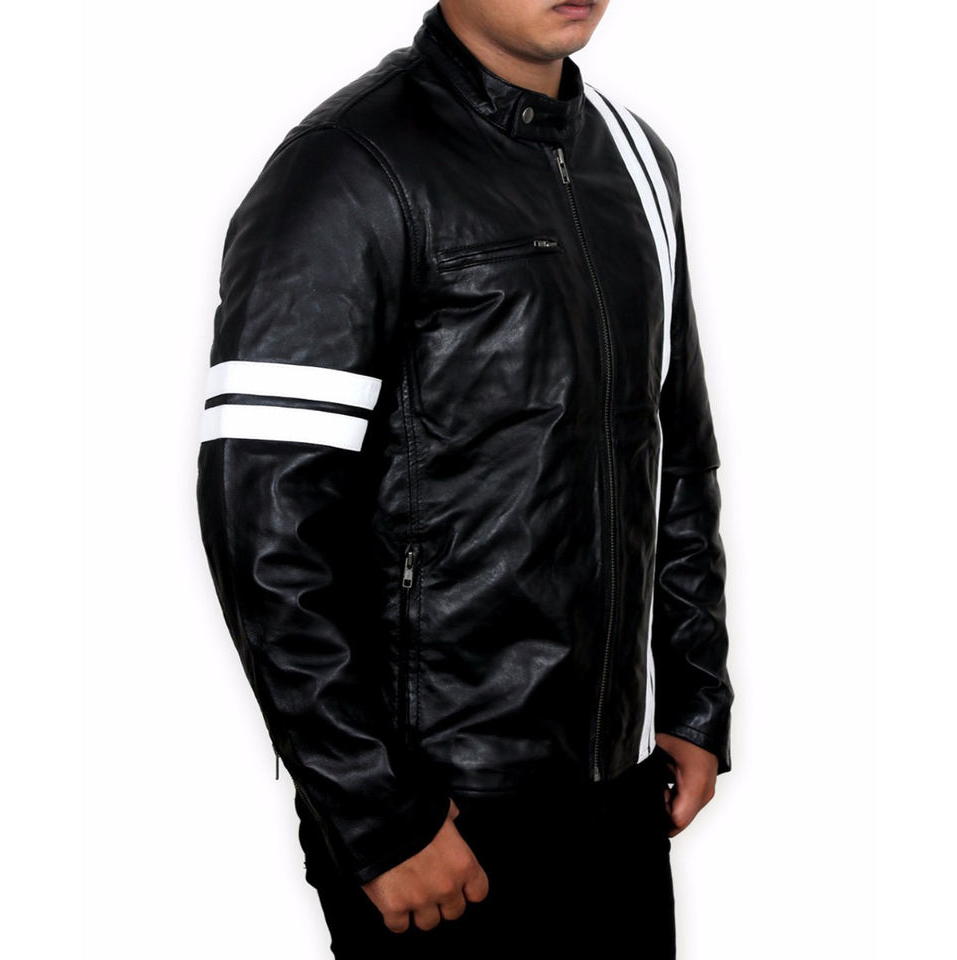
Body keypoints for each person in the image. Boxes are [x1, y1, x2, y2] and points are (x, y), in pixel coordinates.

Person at [195, 1, 734, 956]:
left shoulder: (637, 159)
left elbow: (677, 445)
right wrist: (372, 813)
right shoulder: (347, 167)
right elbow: (263, 524)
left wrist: (693, 698)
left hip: (616, 791)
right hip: (437, 809)